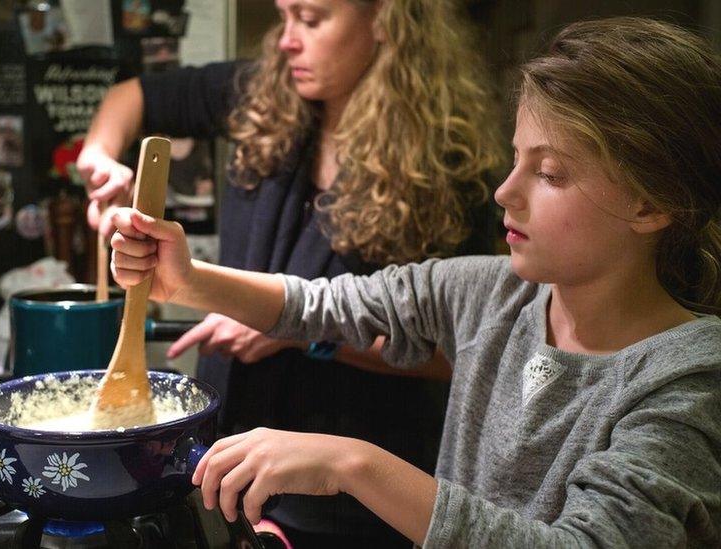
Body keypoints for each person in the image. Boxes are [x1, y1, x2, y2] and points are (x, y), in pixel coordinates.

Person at [107, 16, 721, 547]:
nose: (507, 193)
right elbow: (323, 306)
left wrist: (351, 463)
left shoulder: (688, 384)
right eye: (517, 160)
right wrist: (184, 278)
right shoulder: (493, 292)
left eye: (552, 174)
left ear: (652, 205)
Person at [78, 1, 500, 544]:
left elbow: (454, 357)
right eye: (285, 16)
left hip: (349, 496)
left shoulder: (450, 167)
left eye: (312, 18)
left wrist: (300, 337)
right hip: (224, 458)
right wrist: (100, 159)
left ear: (385, 20)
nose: (286, 41)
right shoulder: (265, 90)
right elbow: (130, 97)